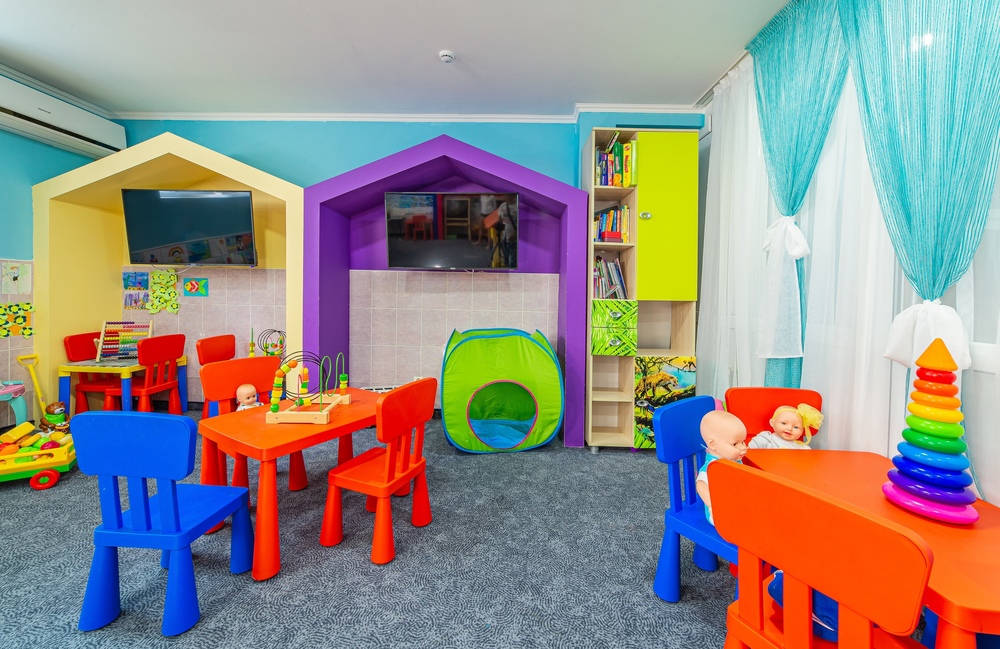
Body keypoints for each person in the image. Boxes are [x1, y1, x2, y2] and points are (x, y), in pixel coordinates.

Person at [696, 410, 748, 524]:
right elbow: (700, 485)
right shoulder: (712, 468)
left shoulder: (734, 459)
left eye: (743, 442)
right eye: (735, 444)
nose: (743, 447)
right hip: (720, 514)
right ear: (712, 444)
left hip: (737, 502)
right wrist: (712, 504)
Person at [747, 403, 824, 450]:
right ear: (772, 422)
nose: (789, 428)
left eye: (796, 427)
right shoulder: (766, 439)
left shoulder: (802, 448)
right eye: (783, 423)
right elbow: (749, 454)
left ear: (802, 431)